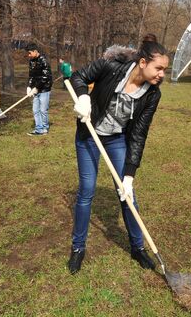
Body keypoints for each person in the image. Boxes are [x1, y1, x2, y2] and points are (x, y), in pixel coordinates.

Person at [67, 34, 168, 274]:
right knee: (87, 191)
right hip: (89, 136)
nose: (162, 74)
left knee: (127, 195)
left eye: (164, 69)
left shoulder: (152, 94)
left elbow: (138, 135)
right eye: (159, 68)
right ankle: (78, 248)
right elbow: (78, 76)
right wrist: (83, 97)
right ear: (143, 63)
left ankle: (137, 248)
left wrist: (130, 175)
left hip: (117, 140)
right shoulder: (111, 66)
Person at [26, 44, 53, 136]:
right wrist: (29, 86)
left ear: (35, 51)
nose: (28, 55)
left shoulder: (44, 61)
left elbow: (45, 77)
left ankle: (45, 128)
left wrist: (37, 88)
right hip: (35, 89)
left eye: (30, 53)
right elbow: (31, 75)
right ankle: (39, 129)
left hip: (44, 89)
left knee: (43, 110)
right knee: (35, 110)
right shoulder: (31, 62)